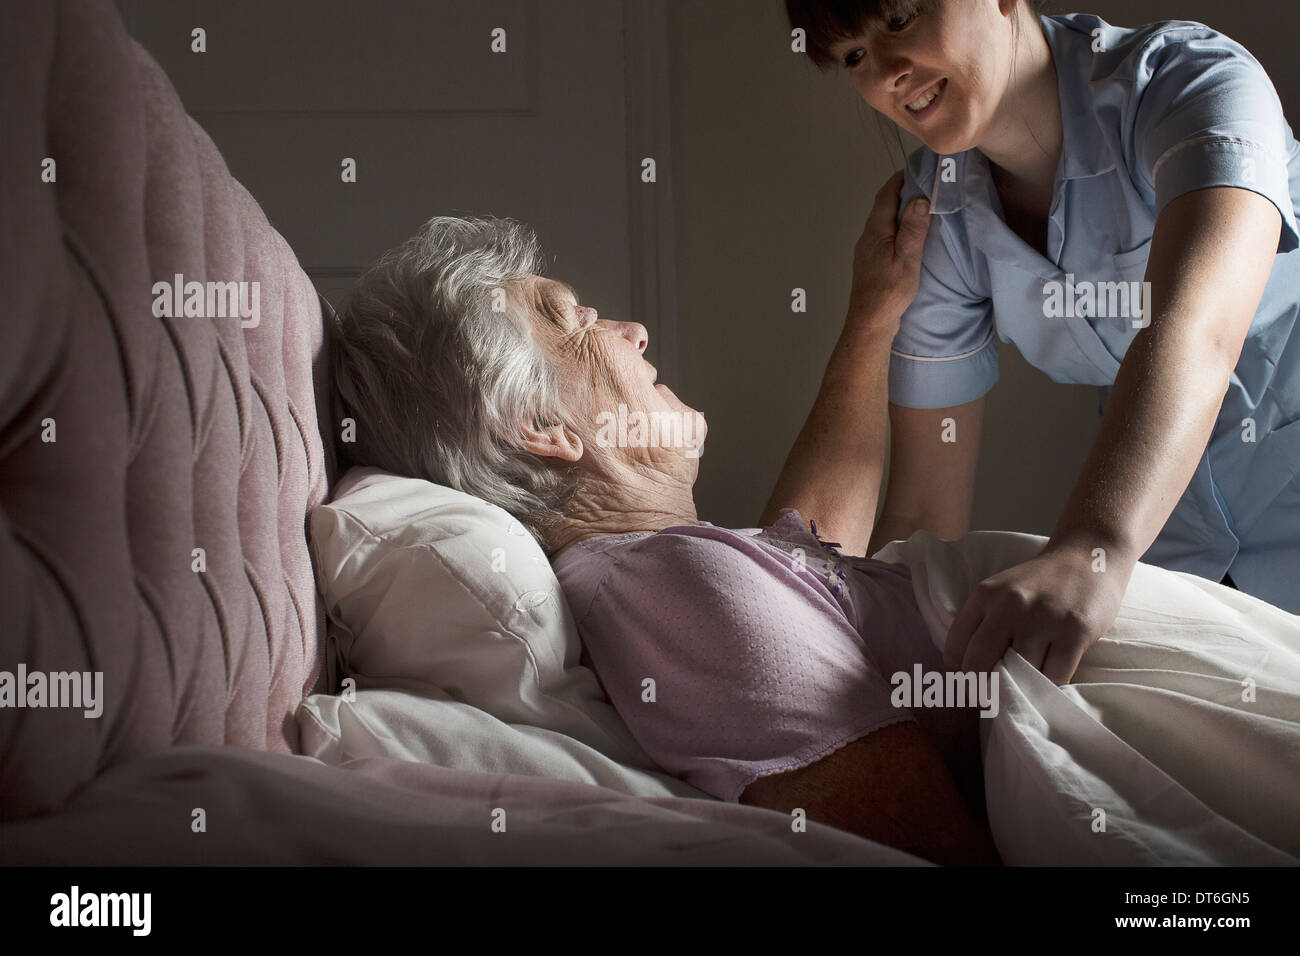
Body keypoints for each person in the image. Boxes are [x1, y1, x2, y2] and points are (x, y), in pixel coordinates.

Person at [328, 188, 1011, 864]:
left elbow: (805, 565)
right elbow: (930, 845)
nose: (633, 333)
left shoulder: (654, 569)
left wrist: (874, 317)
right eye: (576, 321)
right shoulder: (667, 587)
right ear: (540, 426)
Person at [785, 0, 1300, 681]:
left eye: (902, 19)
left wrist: (1094, 547)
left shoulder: (1189, 83)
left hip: (1153, 527)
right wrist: (871, 681)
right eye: (852, 56)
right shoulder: (936, 210)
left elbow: (1193, 331)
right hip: (1178, 552)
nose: (885, 71)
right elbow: (923, 515)